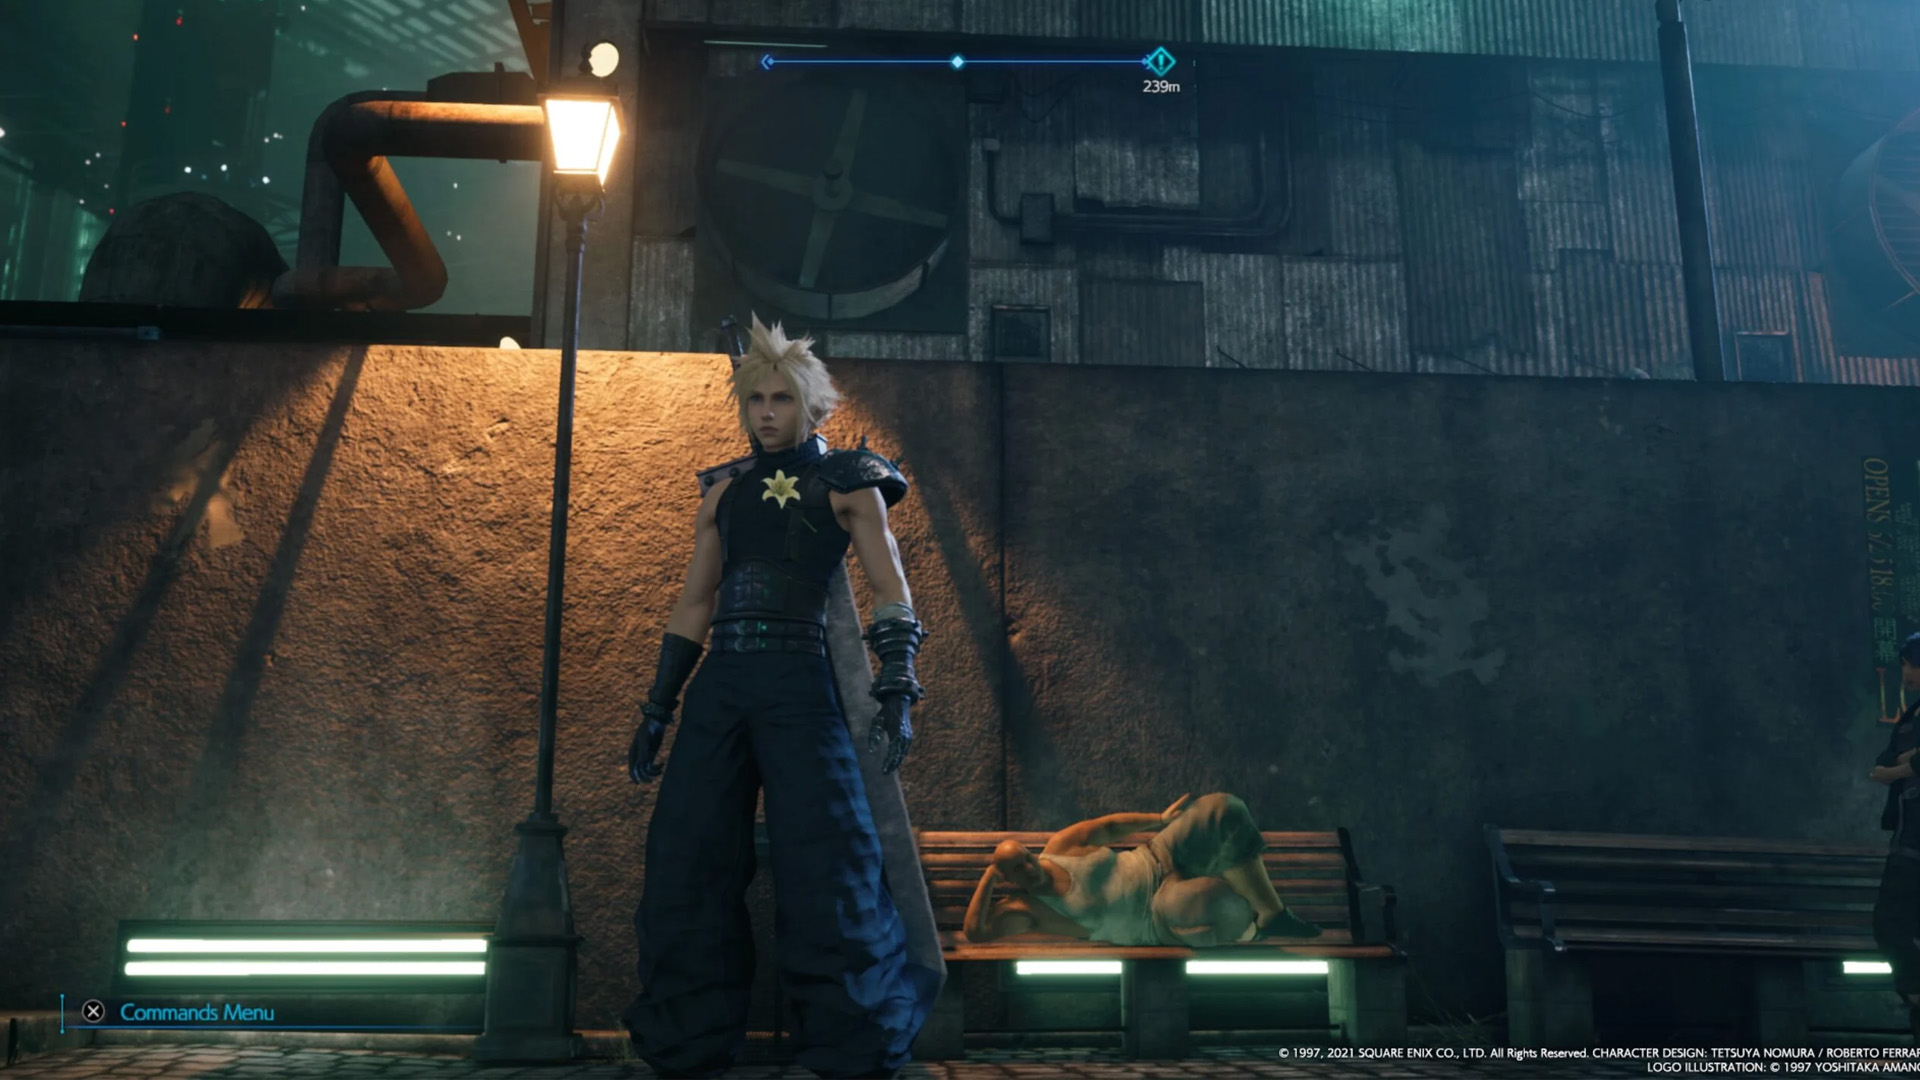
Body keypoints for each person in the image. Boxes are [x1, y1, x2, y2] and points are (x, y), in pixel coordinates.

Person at [622, 314, 934, 1079]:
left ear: (810, 403)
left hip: (800, 683)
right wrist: (659, 706)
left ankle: (850, 1044)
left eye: (781, 399)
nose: (766, 413)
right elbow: (695, 604)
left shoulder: (850, 482)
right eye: (755, 399)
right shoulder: (724, 495)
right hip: (723, 682)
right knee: (686, 855)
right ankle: (689, 1043)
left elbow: (891, 587)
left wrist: (897, 684)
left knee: (830, 862)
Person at [962, 791, 1323, 948]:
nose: (1029, 867)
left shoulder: (1060, 848)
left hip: (1157, 855)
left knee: (1222, 808)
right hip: (1155, 914)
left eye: (1026, 857)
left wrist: (1160, 819)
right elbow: (976, 933)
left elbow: (1108, 826)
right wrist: (989, 876)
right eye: (1018, 869)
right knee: (1217, 903)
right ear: (1009, 878)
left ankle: (1272, 914)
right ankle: (1251, 928)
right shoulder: (1029, 912)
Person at [1872, 633, 1920, 1038]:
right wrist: (1907, 764)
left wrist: (1906, 766)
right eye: (1904, 663)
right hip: (1908, 841)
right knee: (1891, 927)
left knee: (1890, 925)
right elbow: (1880, 767)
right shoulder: (1912, 716)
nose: (1906, 671)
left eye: (1911, 663)